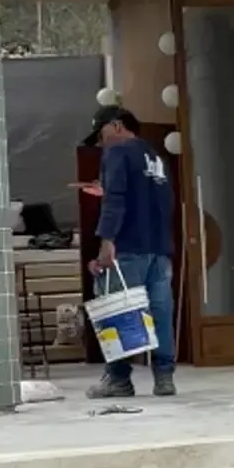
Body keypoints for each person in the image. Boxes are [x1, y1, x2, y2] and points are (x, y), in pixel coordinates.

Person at [82, 105, 177, 398]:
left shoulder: (117, 152)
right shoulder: (156, 157)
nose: (101, 144)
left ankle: (119, 379)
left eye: (101, 135)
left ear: (116, 125)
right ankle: (164, 378)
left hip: (129, 248)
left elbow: (117, 202)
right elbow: (160, 202)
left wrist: (106, 243)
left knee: (120, 311)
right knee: (161, 312)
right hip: (159, 249)